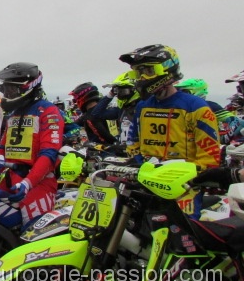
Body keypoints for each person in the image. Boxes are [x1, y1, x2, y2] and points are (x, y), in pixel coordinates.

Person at [120, 44, 220, 219]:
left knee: (182, 240)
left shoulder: (196, 107)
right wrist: (138, 164)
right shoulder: (142, 106)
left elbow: (210, 156)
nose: (142, 77)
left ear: (168, 69)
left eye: (149, 71)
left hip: (183, 187)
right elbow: (134, 140)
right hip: (147, 180)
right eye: (138, 72)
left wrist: (187, 175)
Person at [0, 62, 64, 230]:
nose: (6, 93)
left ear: (27, 87)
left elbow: (49, 154)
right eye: (4, 88)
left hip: (37, 182)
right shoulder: (14, 114)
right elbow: (3, 148)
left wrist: (28, 182)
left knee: (31, 235)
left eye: (10, 89)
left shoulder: (47, 111)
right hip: (10, 178)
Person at [175, 78, 244, 146]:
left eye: (184, 92)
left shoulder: (208, 106)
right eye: (178, 91)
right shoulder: (179, 108)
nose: (180, 95)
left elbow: (236, 122)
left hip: (207, 145)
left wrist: (220, 139)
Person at [90, 71, 141, 147]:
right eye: (118, 91)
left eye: (123, 91)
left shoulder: (142, 107)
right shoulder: (121, 110)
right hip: (124, 149)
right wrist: (110, 94)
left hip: (140, 150)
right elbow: (96, 114)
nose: (120, 94)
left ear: (134, 89)